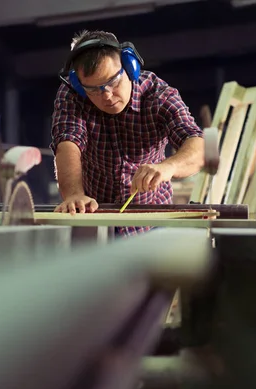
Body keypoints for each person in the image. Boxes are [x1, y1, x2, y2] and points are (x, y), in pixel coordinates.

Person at [50, 30, 206, 236]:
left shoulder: (159, 95)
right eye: (94, 90)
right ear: (79, 86)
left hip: (151, 220)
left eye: (113, 82)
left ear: (130, 67)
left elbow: (199, 145)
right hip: (95, 218)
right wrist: (74, 195)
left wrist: (168, 167)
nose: (106, 95)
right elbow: (68, 143)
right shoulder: (72, 96)